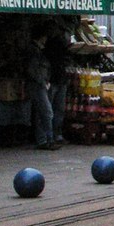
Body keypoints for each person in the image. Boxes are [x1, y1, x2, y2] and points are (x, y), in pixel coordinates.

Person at [24, 21, 57, 150]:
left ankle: (42, 140)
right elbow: (33, 70)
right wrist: (43, 81)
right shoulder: (34, 51)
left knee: (40, 113)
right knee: (47, 112)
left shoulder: (37, 50)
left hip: (40, 83)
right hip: (38, 85)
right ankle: (49, 139)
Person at [45, 17, 75, 145]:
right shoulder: (51, 45)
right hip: (54, 79)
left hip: (59, 79)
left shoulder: (56, 45)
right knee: (51, 109)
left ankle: (55, 135)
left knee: (56, 109)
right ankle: (52, 135)